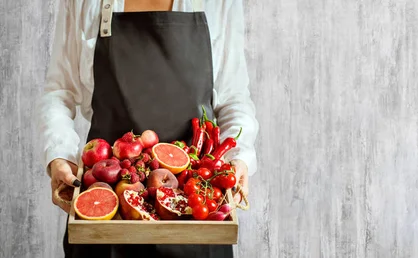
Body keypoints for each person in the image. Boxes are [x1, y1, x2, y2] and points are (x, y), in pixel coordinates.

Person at [36, 0, 259, 257]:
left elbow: (233, 98)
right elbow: (59, 91)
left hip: (196, 209)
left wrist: (238, 158)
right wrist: (58, 155)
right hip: (108, 214)